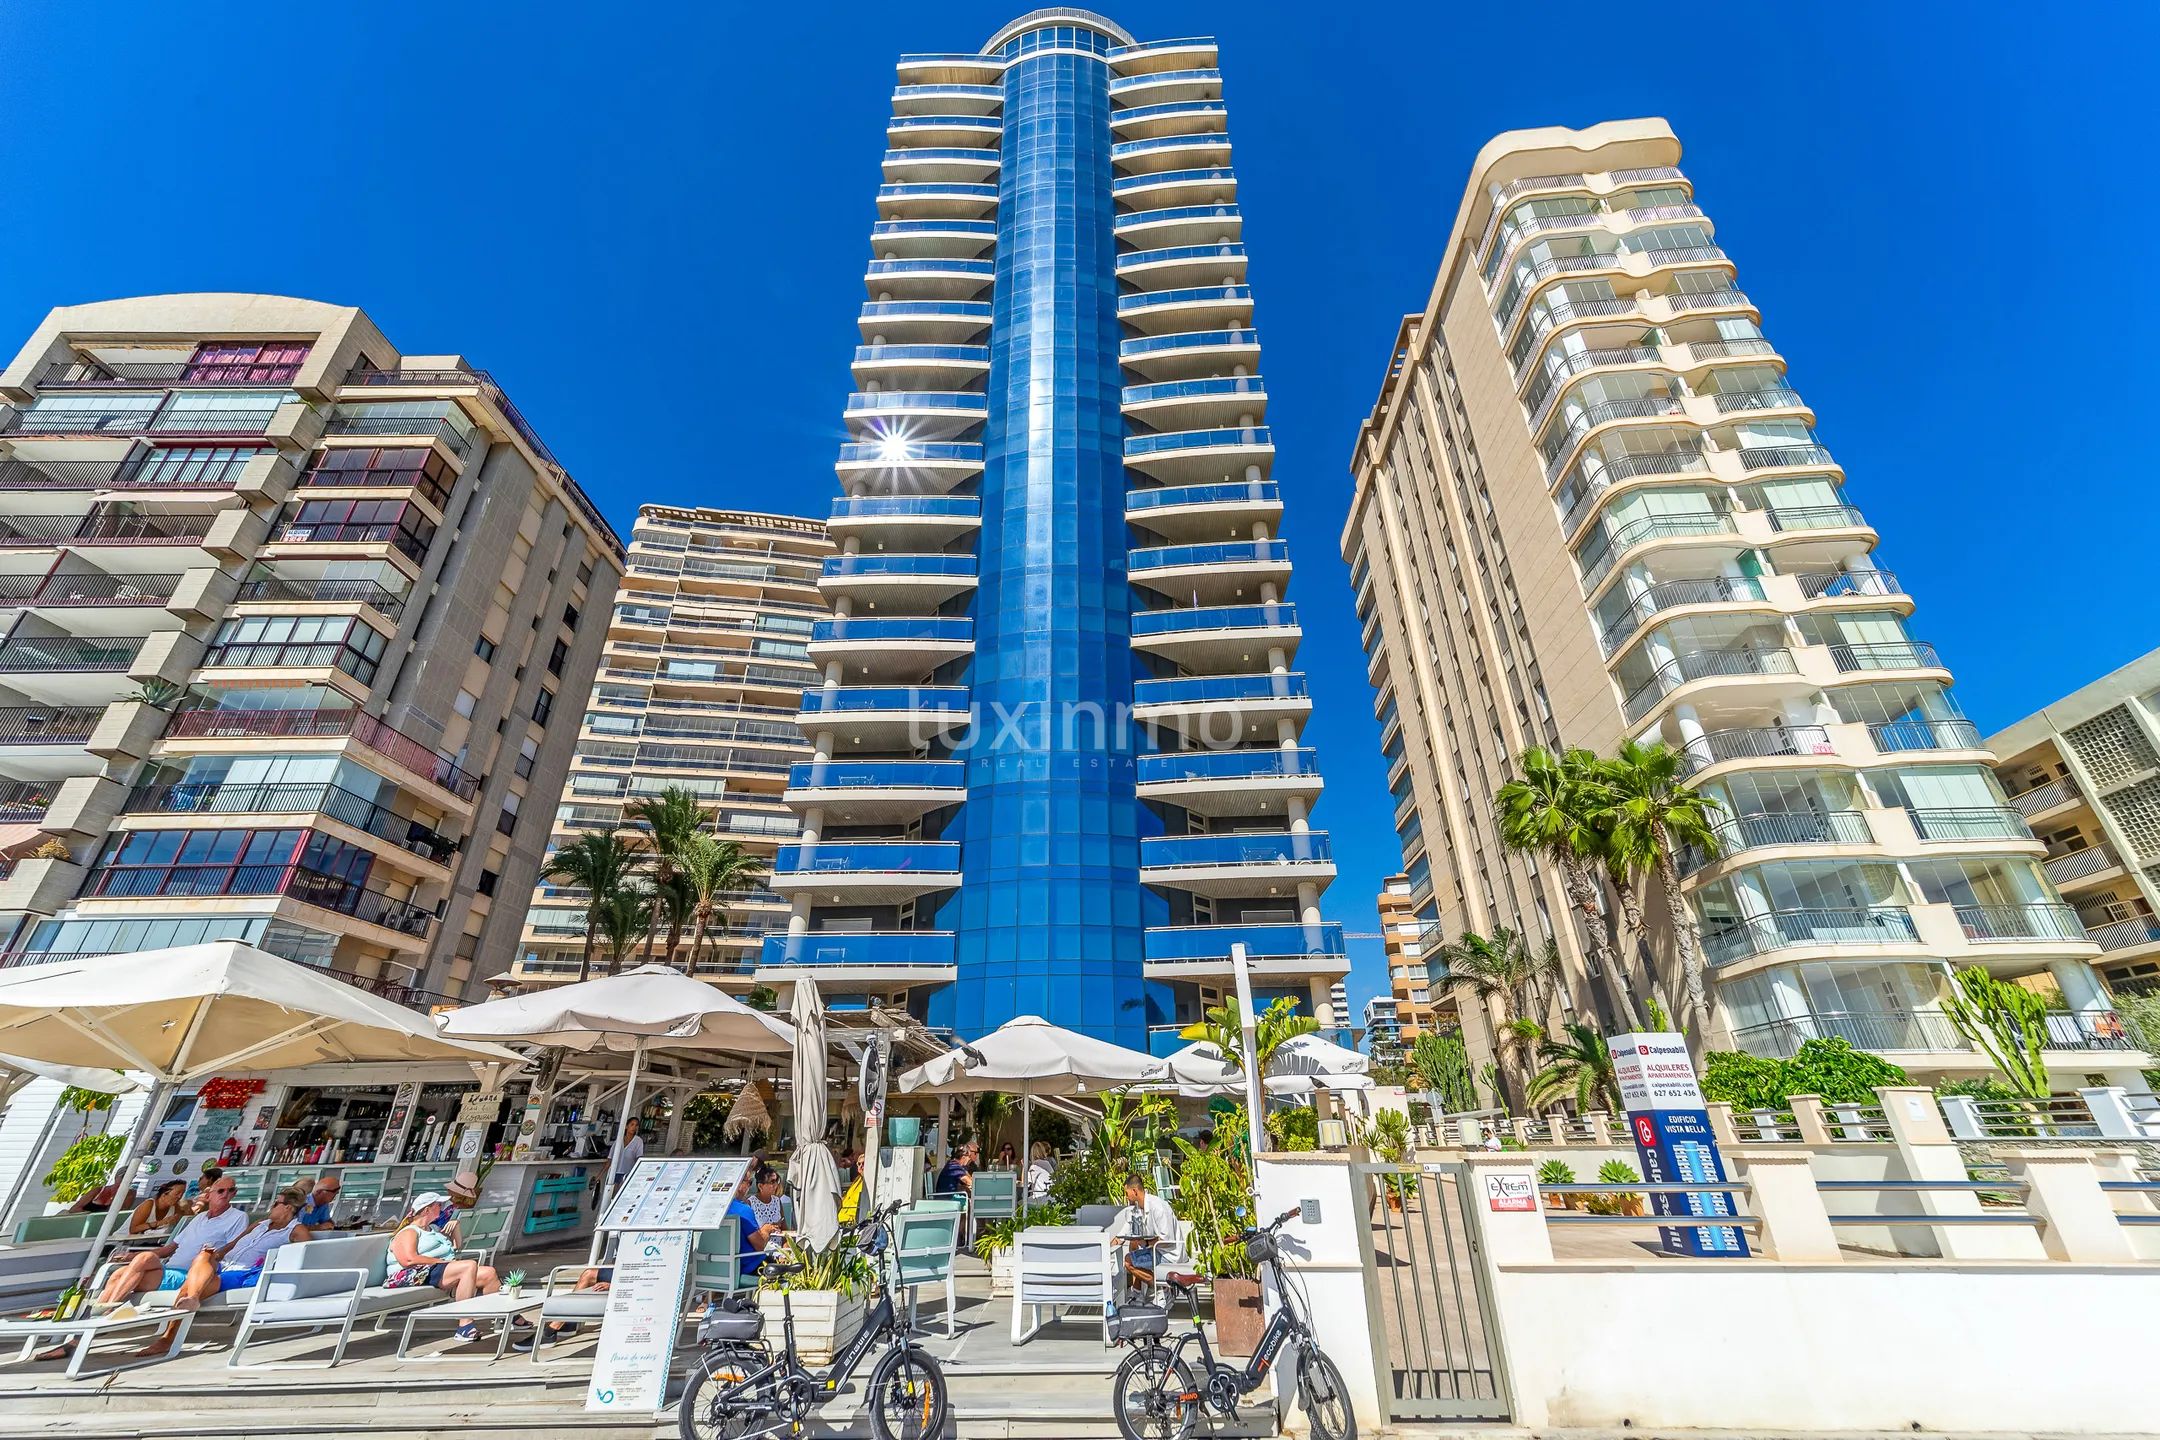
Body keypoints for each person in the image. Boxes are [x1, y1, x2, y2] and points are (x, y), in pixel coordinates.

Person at [70, 1173, 251, 1356]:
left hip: (192, 1276)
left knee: (141, 1261)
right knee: (120, 1273)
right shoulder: (199, 1218)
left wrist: (213, 1253)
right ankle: (94, 1325)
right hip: (168, 1270)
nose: (226, 1194)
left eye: (231, 1190)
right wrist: (130, 1256)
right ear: (209, 1194)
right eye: (221, 1191)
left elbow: (234, 1247)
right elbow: (169, 1248)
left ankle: (103, 1315)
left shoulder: (238, 1217)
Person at [131, 1189, 313, 1357]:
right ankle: (190, 1303)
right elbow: (233, 1244)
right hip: (223, 1265)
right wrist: (215, 1254)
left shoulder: (296, 1231)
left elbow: (308, 1257)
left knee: (190, 1285)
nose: (272, 1207)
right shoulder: (260, 1225)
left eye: (276, 1203)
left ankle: (168, 1337)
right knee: (203, 1256)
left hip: (244, 1273)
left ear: (288, 1207)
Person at [385, 1193, 517, 1341]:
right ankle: (464, 1326)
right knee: (468, 1266)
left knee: (488, 1273)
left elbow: (456, 1246)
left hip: (432, 1270)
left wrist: (456, 1227)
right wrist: (442, 1262)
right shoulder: (410, 1231)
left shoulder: (433, 1229)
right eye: (438, 1205)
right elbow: (408, 1260)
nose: (442, 1208)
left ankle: (505, 1316)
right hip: (410, 1274)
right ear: (427, 1210)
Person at [1105, 1173, 1180, 1298]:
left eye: (1126, 1193)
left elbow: (1167, 1240)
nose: (1126, 1197)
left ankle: (1161, 1289)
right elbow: (1121, 1236)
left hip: (1169, 1254)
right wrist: (1104, 1249)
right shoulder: (1137, 1210)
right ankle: (1150, 1289)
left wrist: (1146, 1243)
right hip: (1157, 1251)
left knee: (1129, 1261)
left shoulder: (1158, 1207)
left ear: (1134, 1191)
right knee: (1133, 1252)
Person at [728, 1167, 787, 1280]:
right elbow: (760, 1245)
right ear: (739, 1184)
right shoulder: (744, 1210)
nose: (749, 1187)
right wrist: (766, 1230)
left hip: (724, 1267)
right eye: (749, 1182)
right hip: (750, 1267)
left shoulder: (720, 1211)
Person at [611, 1117, 644, 1190]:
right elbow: (610, 1159)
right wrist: (599, 1176)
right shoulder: (619, 1140)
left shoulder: (638, 1141)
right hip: (615, 1172)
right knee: (612, 1193)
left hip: (628, 1173)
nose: (634, 1127)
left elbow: (639, 1158)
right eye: (632, 1124)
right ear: (626, 1126)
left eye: (636, 1125)